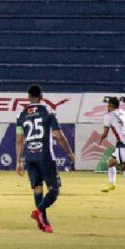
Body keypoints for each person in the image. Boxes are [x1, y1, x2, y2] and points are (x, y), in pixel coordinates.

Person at [15, 84, 75, 234]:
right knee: (54, 190)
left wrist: (18, 162)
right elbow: (59, 136)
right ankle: (39, 211)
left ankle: (44, 223)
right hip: (45, 156)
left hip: (29, 156)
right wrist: (69, 153)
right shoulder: (48, 112)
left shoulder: (21, 115)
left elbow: (19, 140)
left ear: (28, 97)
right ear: (42, 97)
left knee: (37, 188)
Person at [98, 97, 125, 195]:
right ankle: (112, 184)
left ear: (110, 105)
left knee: (123, 165)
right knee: (111, 161)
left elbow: (105, 133)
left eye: (108, 104)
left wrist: (100, 140)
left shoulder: (108, 116)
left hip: (123, 143)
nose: (107, 107)